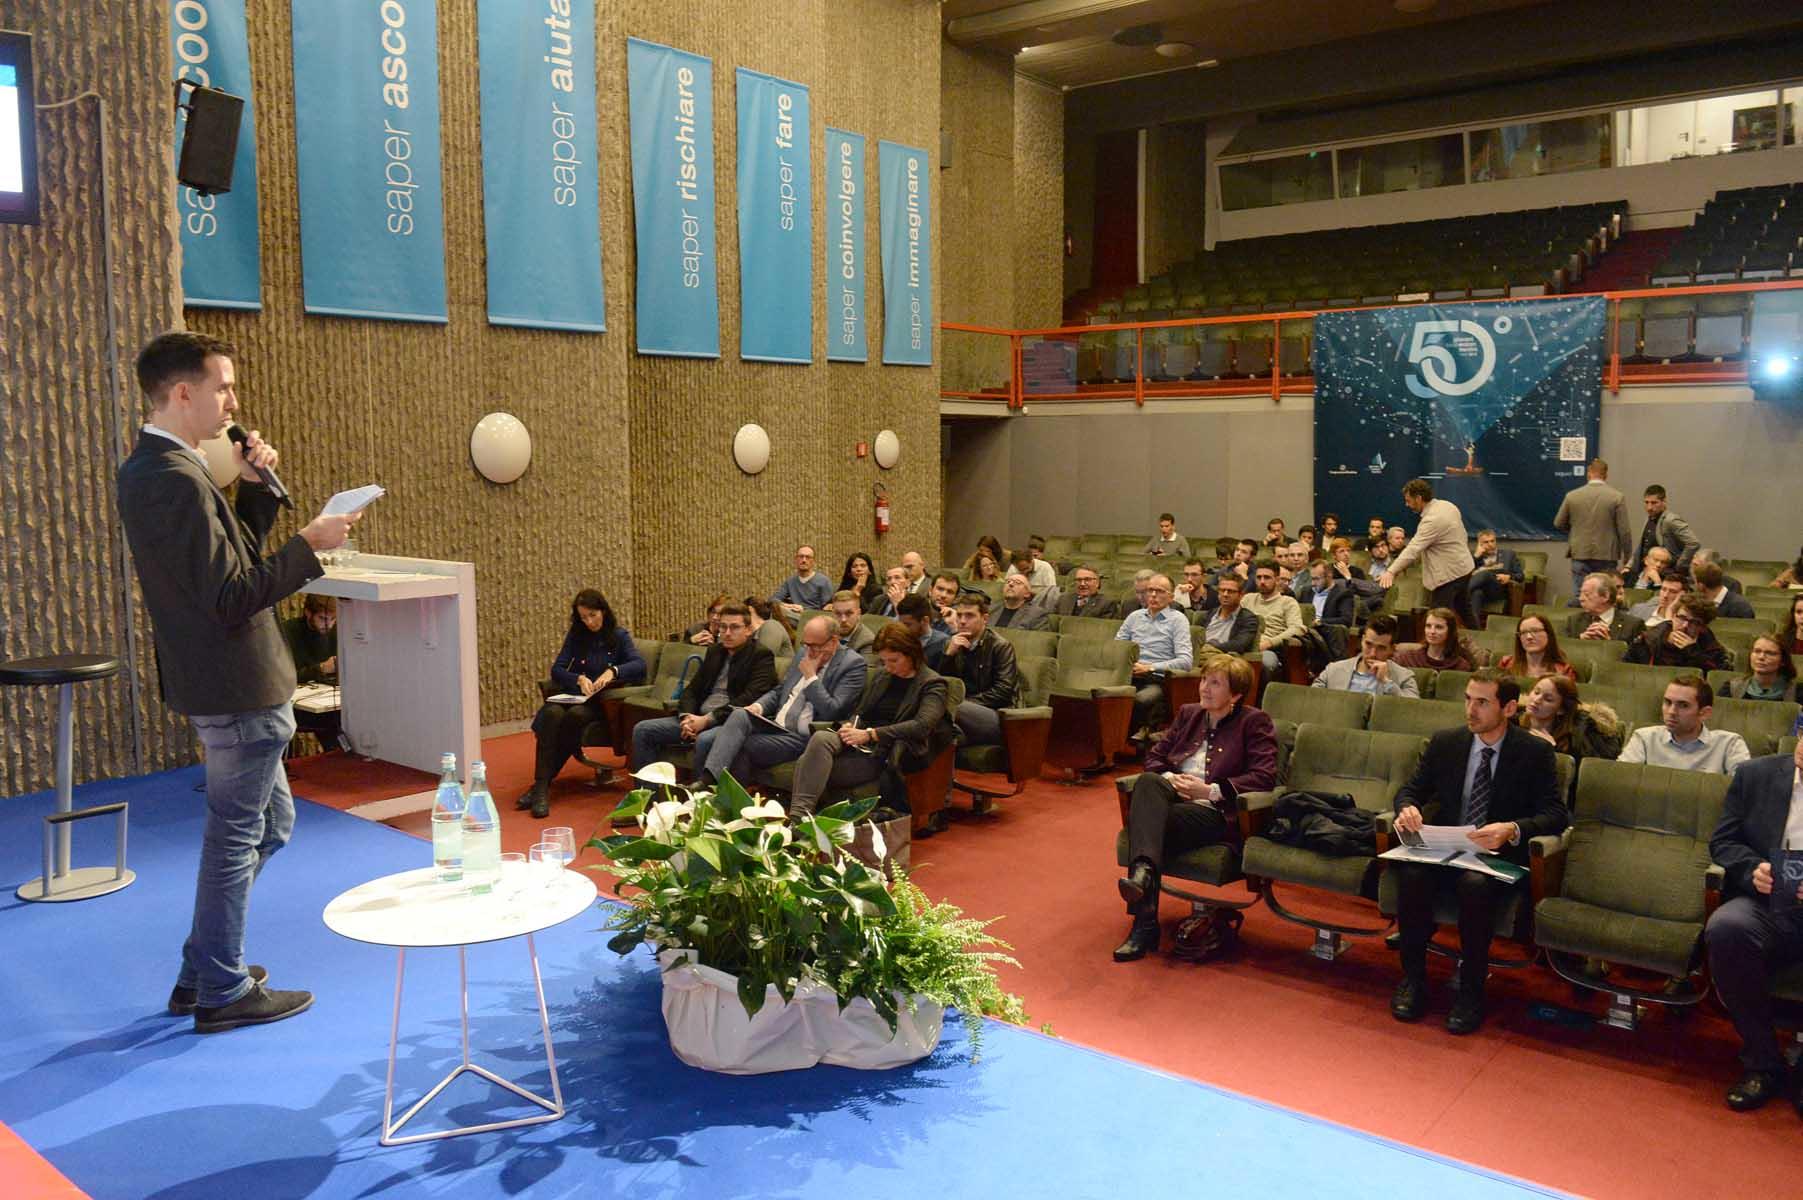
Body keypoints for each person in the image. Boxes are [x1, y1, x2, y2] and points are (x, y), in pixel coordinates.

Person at [118, 331, 359, 1033]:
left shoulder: (175, 469)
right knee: (236, 835)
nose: (234, 401)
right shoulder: (167, 477)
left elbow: (229, 566)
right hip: (234, 683)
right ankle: (219, 987)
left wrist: (256, 496)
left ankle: (205, 967)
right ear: (183, 392)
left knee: (271, 824)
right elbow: (230, 596)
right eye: (222, 387)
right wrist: (308, 547)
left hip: (233, 682)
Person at [1390, 670, 1566, 1034]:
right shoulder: (1446, 742)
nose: (1471, 709)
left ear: (1510, 707)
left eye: (1482, 702)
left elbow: (1554, 814)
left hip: (1497, 856)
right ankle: (1414, 980)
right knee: (1412, 874)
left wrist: (1513, 829)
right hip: (1449, 846)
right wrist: (1407, 809)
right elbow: (1410, 790)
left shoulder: (1534, 752)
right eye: (1468, 699)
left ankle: (1471, 991)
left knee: (1475, 885)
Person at [1113, 655, 1278, 962]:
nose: (1204, 688)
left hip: (1213, 813)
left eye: (1215, 683)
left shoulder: (1254, 721)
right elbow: (1156, 757)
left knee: (1145, 821)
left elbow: (1264, 777)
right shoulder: (1189, 713)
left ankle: (1143, 922)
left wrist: (1210, 790)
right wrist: (1170, 778)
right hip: (1173, 803)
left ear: (1236, 695)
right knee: (1150, 781)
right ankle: (1144, 892)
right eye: (1204, 680)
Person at [1702, 738, 1803, 1111]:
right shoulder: (1755, 774)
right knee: (1727, 928)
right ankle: (1763, 1061)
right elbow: (1724, 842)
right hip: (1767, 903)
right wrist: (1752, 870)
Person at [783, 624, 951, 820]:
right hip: (860, 741)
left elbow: (921, 726)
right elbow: (860, 712)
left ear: (912, 654)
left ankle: (797, 820)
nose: (888, 667)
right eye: (884, 661)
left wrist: (871, 734)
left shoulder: (933, 684)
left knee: (807, 764)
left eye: (894, 661)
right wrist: (851, 726)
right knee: (821, 738)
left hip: (888, 752)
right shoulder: (882, 676)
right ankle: (799, 818)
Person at [692, 615, 867, 789]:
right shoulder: (802, 654)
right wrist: (758, 706)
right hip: (775, 725)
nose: (808, 651)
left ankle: (721, 797)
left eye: (815, 646)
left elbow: (833, 711)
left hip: (806, 736)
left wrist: (811, 678)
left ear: (833, 642)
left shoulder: (852, 664)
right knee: (735, 717)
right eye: (805, 644)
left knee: (737, 745)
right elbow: (780, 692)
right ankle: (705, 784)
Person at [523, 590, 648, 817]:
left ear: (603, 611)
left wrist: (613, 671)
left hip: (599, 704)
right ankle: (541, 787)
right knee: (551, 714)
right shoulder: (577, 635)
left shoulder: (618, 636)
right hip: (574, 695)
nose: (589, 622)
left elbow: (639, 665)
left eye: (593, 615)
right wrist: (577, 678)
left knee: (575, 717)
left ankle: (540, 788)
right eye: (583, 617)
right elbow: (557, 669)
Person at [627, 602, 778, 774]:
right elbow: (692, 690)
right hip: (697, 718)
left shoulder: (761, 655)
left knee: (705, 740)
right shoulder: (716, 651)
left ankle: (700, 797)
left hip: (728, 723)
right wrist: (686, 718)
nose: (727, 633)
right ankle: (648, 795)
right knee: (643, 730)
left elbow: (747, 700)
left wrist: (707, 720)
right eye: (723, 627)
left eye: (734, 627)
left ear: (748, 630)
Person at [1378, 479, 1477, 629]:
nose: (1407, 504)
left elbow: (1413, 549)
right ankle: (1477, 643)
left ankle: (1440, 650)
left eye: (1408, 500)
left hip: (1449, 575)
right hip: (1464, 567)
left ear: (1418, 498)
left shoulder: (1432, 520)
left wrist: (1391, 571)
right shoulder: (1447, 505)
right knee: (1465, 610)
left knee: (1438, 619)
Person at [1618, 675, 1750, 774]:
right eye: (1668, 702)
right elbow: (1622, 781)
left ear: (1704, 713)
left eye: (1683, 705)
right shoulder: (1644, 738)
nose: (1671, 712)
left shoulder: (1729, 744)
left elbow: (1746, 790)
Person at [1517, 674, 1624, 793]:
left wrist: (1554, 752)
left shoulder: (1578, 740)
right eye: (1536, 692)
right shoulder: (1510, 720)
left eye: (1548, 699)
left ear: (1561, 710)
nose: (1536, 700)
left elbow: (1581, 782)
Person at [1116, 573, 1194, 733]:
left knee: (1139, 700)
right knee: (1106, 696)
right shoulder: (1134, 617)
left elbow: (1186, 661)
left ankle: (1127, 743)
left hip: (1156, 679)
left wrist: (1150, 667)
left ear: (1171, 597)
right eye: (1150, 590)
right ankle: (1111, 743)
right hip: (1128, 674)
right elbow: (1117, 647)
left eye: (1159, 591)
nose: (1152, 595)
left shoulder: (1178, 620)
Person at [938, 593, 1018, 748]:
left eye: (969, 616)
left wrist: (964, 702)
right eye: (959, 615)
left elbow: (1003, 691)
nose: (962, 621)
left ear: (985, 619)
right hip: (959, 713)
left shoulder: (1000, 646)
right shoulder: (952, 643)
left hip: (995, 714)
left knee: (948, 705)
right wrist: (948, 655)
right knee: (940, 728)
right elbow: (942, 683)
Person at [1552, 458, 1633, 600]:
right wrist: (1627, 557)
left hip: (1580, 553)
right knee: (1605, 596)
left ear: (1588, 473)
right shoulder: (1616, 497)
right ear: (1606, 475)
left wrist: (1576, 531)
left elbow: (1558, 523)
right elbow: (1624, 531)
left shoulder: (1572, 496)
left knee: (1582, 595)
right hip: (1607, 555)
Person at [282, 594, 343, 750]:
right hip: (297, 708)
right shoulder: (288, 632)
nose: (328, 625)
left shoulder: (338, 631)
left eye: (333, 619)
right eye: (322, 619)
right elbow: (283, 677)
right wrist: (321, 669)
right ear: (308, 613)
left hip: (328, 701)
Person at [1313, 614, 1420, 696]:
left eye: (1381, 648)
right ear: (1362, 640)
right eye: (1368, 644)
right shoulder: (1333, 670)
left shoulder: (1404, 677)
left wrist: (1387, 682)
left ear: (1392, 649)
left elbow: (1413, 711)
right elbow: (1311, 701)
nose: (1373, 654)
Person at [1625, 593, 1731, 671]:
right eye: (1682, 618)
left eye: (1694, 622)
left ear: (1703, 627)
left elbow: (1716, 677)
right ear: (1674, 616)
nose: (1685, 625)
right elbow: (1628, 670)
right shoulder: (1648, 640)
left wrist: (1692, 652)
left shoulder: (1711, 648)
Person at [1244, 560, 1306, 677]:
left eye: (1267, 577)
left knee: (1265, 663)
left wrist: (1269, 643)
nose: (1262, 581)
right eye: (1259, 577)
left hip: (1269, 649)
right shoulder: (1248, 599)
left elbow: (1298, 629)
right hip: (1243, 645)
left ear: (1277, 580)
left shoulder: (1287, 602)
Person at [1394, 606, 1483, 673]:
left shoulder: (1461, 666)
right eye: (1428, 626)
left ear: (1450, 631)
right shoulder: (1408, 658)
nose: (1432, 631)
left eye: (1439, 627)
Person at [1637, 484, 1699, 578]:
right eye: (1646, 502)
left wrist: (1679, 566)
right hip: (1646, 571)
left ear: (1664, 502)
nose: (1649, 507)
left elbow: (1693, 543)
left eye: (1654, 503)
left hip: (1667, 573)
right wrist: (1629, 566)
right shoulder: (1649, 518)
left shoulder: (1671, 520)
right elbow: (1641, 545)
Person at [1565, 572, 1646, 644]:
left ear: (1605, 596)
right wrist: (1580, 640)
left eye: (1586, 594)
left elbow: (1638, 659)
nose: (1581, 599)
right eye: (1581, 594)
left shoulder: (1634, 625)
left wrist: (1609, 644)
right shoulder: (1573, 621)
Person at [1496, 614, 1577, 681]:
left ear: (1548, 634)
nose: (1529, 637)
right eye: (1523, 632)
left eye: (1535, 631)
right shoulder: (1506, 664)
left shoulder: (1564, 671)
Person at [1720, 635, 1798, 702]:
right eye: (1757, 651)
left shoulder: (1797, 692)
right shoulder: (1731, 689)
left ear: (1783, 661)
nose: (1761, 657)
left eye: (1770, 653)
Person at [1467, 529, 1524, 613]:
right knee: (1476, 594)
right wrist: (1476, 555)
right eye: (1486, 542)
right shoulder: (1475, 557)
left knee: (1485, 573)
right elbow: (1466, 574)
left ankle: (1460, 593)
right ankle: (1474, 625)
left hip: (1498, 589)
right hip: (1480, 589)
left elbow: (1520, 576)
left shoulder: (1509, 554)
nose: (1490, 544)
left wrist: (1509, 577)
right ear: (1480, 544)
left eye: (1492, 541)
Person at [1200, 575, 1260, 653]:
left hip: (1224, 658)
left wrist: (1211, 648)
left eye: (1230, 591)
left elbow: (1239, 644)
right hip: (1199, 655)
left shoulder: (1248, 619)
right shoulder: (1208, 615)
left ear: (1241, 595)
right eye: (1222, 590)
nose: (1225, 594)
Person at [771, 544, 832, 618]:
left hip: (812, 618)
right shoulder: (790, 581)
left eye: (808, 557)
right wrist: (789, 606)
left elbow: (827, 610)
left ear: (813, 561)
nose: (804, 560)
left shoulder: (824, 581)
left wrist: (804, 610)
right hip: (793, 615)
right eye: (801, 556)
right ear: (796, 560)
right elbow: (772, 600)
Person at [895, 592, 951, 664]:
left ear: (925, 620)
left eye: (908, 625)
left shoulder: (943, 644)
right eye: (901, 623)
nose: (903, 629)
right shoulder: (898, 639)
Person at [1301, 559, 1356, 628]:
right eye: (1312, 578)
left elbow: (1346, 620)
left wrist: (1319, 622)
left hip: (1324, 630)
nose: (1313, 583)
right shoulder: (1306, 591)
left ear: (1329, 576)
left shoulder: (1343, 594)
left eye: (1317, 579)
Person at [829, 589, 878, 662]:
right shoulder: (824, 633)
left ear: (859, 614)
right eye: (838, 614)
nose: (843, 620)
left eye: (849, 613)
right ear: (832, 614)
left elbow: (864, 672)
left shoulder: (868, 642)